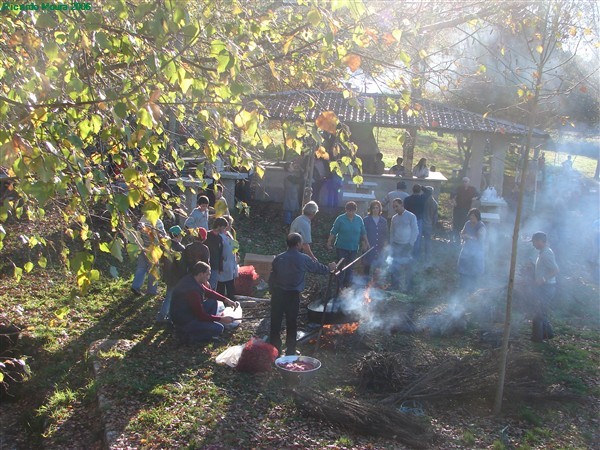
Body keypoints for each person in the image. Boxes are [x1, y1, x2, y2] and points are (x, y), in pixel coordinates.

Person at [269, 233, 336, 355]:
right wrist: (329, 268)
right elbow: (318, 268)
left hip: (277, 294)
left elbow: (272, 276)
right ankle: (290, 350)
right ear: (299, 244)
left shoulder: (278, 258)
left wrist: (272, 291)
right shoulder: (303, 258)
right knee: (291, 322)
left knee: (276, 321)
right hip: (292, 295)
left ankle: (274, 349)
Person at [170, 261, 238, 344]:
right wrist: (222, 319)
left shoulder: (192, 279)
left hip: (189, 312)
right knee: (219, 328)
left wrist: (226, 300)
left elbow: (209, 292)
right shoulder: (192, 291)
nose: (209, 277)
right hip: (185, 320)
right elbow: (201, 315)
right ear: (201, 274)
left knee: (213, 302)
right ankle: (188, 336)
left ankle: (204, 325)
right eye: (207, 274)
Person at [327, 201, 370, 288]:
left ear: (355, 210)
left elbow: (363, 232)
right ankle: (339, 286)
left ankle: (347, 286)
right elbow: (334, 231)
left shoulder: (359, 219)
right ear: (346, 210)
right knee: (341, 267)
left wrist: (367, 242)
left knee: (350, 267)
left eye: (353, 211)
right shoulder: (340, 219)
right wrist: (329, 242)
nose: (351, 213)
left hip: (353, 248)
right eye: (349, 211)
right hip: (341, 247)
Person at [530, 231, 559, 342]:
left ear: (540, 241)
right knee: (541, 311)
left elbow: (555, 270)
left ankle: (537, 340)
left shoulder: (546, 253)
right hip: (545, 287)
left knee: (539, 313)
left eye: (534, 242)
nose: (533, 244)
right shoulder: (543, 252)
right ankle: (548, 334)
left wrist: (542, 279)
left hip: (547, 287)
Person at [156, 225, 187, 324]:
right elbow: (182, 265)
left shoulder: (165, 246)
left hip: (168, 275)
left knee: (169, 296)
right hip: (177, 277)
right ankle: (165, 316)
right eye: (180, 235)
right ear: (176, 236)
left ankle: (166, 316)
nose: (181, 237)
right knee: (172, 297)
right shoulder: (180, 248)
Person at [389, 198, 419, 292]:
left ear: (402, 205)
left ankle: (409, 287)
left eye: (396, 206)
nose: (395, 208)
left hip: (406, 245)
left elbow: (415, 231)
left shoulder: (411, 216)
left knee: (408, 267)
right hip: (396, 245)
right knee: (395, 266)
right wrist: (391, 244)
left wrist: (411, 243)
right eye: (394, 207)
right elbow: (392, 232)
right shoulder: (394, 218)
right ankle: (395, 285)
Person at [131, 216, 165, 296]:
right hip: (153, 249)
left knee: (141, 268)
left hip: (142, 247)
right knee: (153, 270)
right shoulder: (158, 222)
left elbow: (138, 231)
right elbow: (162, 235)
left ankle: (135, 286)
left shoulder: (142, 219)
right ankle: (152, 290)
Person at [457, 208, 486, 294]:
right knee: (463, 267)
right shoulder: (467, 223)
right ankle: (463, 286)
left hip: (476, 251)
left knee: (473, 269)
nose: (471, 218)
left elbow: (480, 240)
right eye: (470, 216)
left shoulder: (481, 226)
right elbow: (462, 233)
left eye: (473, 216)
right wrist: (462, 236)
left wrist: (469, 237)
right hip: (466, 249)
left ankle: (472, 288)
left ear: (477, 217)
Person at [363, 200, 388, 280]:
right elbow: (363, 233)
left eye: (377, 208)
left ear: (380, 209)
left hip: (379, 246)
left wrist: (385, 245)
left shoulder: (383, 221)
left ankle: (375, 283)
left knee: (378, 266)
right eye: (373, 208)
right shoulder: (366, 220)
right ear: (371, 209)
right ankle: (365, 283)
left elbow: (385, 234)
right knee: (367, 265)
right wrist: (364, 244)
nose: (375, 209)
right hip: (369, 246)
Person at [451, 177, 479, 243]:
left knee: (464, 224)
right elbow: (452, 194)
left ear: (469, 182)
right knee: (456, 224)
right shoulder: (459, 188)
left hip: (466, 210)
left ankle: (464, 239)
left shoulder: (472, 189)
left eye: (466, 181)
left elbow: (478, 195)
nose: (465, 183)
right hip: (457, 209)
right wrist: (453, 200)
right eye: (463, 181)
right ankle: (456, 240)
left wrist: (475, 198)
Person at [216, 216, 239, 298]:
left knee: (230, 286)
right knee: (221, 286)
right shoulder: (219, 236)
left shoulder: (229, 234)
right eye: (229, 224)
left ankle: (231, 300)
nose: (230, 226)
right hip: (223, 264)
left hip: (230, 264)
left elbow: (234, 246)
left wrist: (236, 254)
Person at [205, 217, 228, 289]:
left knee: (213, 287)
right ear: (218, 226)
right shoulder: (207, 235)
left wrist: (220, 268)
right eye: (223, 227)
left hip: (215, 267)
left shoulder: (220, 238)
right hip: (206, 266)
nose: (224, 230)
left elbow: (220, 254)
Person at [282, 161, 302, 226]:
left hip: (292, 193)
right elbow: (297, 181)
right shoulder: (288, 176)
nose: (293, 167)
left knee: (291, 207)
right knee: (288, 208)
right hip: (289, 193)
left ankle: (289, 221)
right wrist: (304, 176)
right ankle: (287, 222)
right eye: (291, 166)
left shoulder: (290, 175)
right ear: (288, 168)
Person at [422, 186, 438, 263]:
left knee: (417, 240)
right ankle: (427, 257)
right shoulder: (435, 203)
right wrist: (433, 226)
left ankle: (417, 255)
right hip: (429, 225)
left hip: (421, 224)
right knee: (427, 242)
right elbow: (435, 217)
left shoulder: (422, 201)